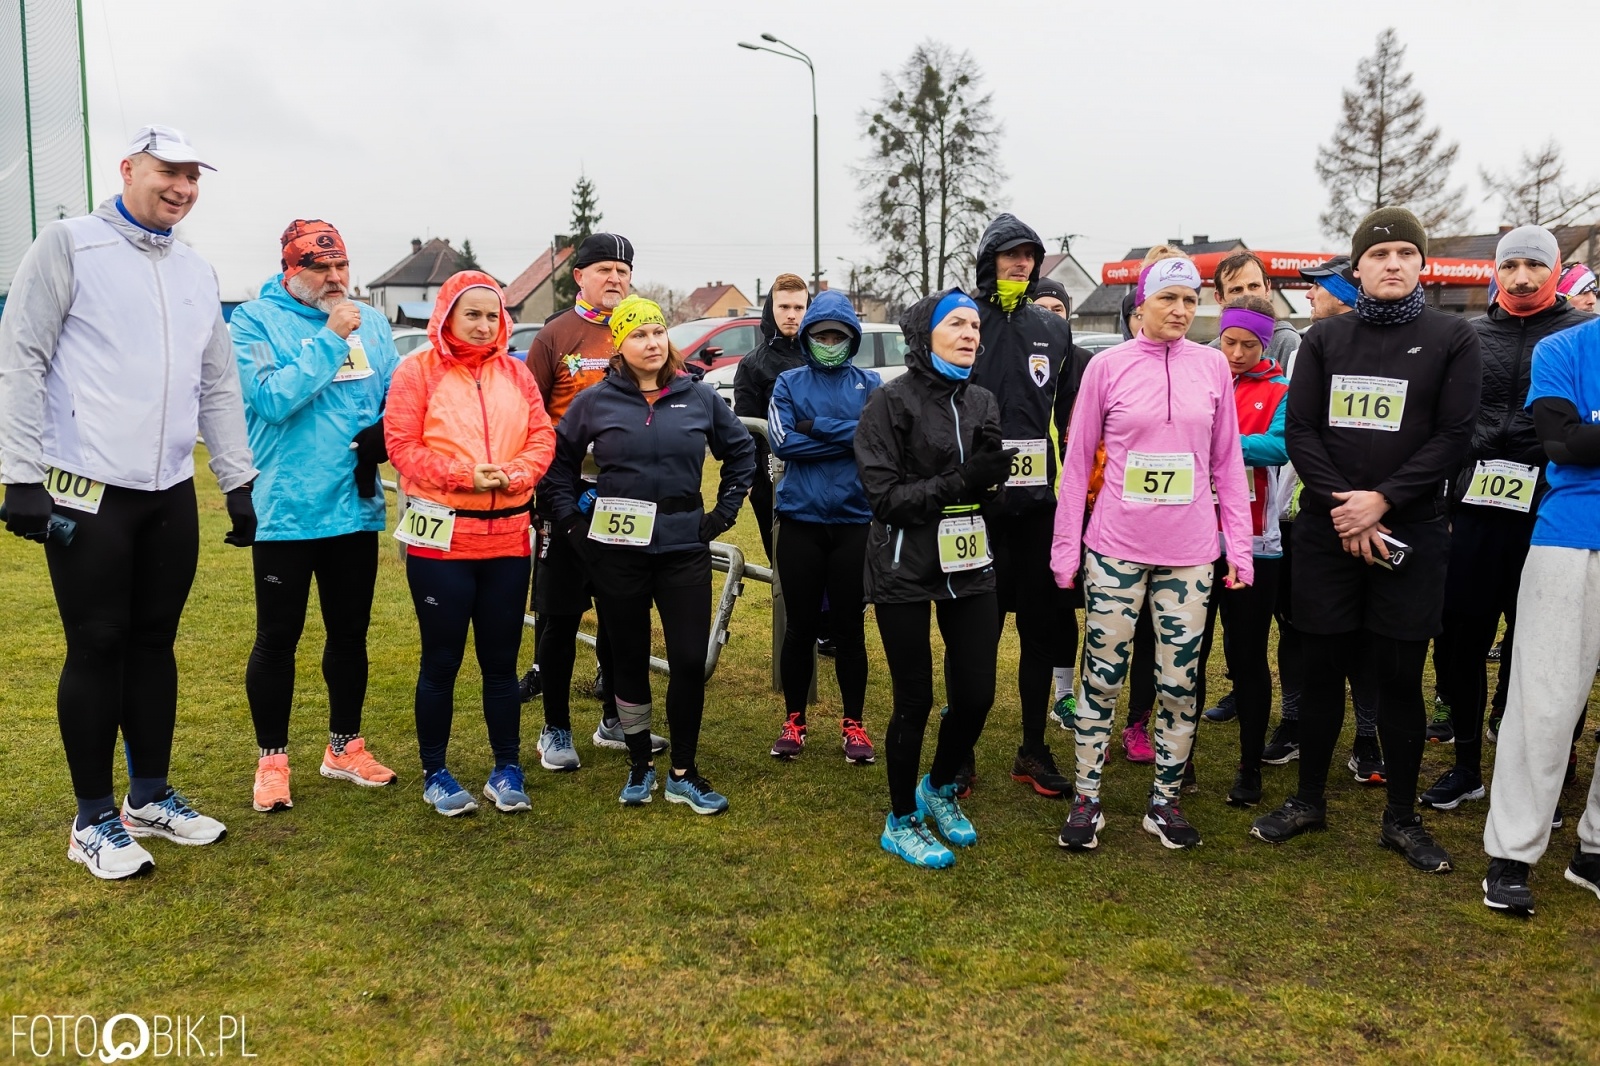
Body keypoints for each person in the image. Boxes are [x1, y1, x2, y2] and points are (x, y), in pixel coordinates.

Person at [0, 124, 255, 879]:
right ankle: (92, 819)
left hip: (169, 489)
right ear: (129, 169)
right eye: (167, 172)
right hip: (85, 485)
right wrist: (19, 474)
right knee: (99, 643)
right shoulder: (70, 243)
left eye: (192, 178)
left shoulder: (196, 270)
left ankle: (149, 795)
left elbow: (218, 381)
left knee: (154, 642)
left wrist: (236, 480)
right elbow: (22, 355)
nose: (181, 188)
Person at [1250, 207, 1481, 874]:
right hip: (1330, 535)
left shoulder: (1453, 340)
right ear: (1358, 268)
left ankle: (1401, 819)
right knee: (1320, 669)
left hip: (1411, 533)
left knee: (1401, 678)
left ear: (1422, 266)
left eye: (1406, 253)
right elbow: (1303, 436)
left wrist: (1381, 502)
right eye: (1380, 255)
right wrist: (1344, 509)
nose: (1392, 263)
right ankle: (1307, 800)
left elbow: (1453, 435)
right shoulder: (1326, 340)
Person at [1051, 255, 1253, 852]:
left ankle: (1164, 801)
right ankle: (1088, 799)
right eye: (1169, 299)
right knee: (1101, 677)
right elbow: (1077, 458)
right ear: (1141, 305)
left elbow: (1228, 465)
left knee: (1178, 681)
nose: (1181, 311)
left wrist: (1235, 546)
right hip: (1114, 549)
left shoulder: (1213, 366)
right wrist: (1066, 550)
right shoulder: (1106, 367)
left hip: (1190, 555)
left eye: (1191, 301)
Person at [542, 296, 755, 814]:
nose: (652, 342)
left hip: (684, 548)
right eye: (639, 334)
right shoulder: (594, 402)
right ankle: (639, 761)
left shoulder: (698, 397)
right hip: (618, 552)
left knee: (686, 660)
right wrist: (574, 529)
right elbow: (557, 468)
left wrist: (721, 517)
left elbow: (742, 451)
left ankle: (684, 770)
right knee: (629, 659)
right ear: (618, 342)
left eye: (658, 332)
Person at [230, 220, 403, 812]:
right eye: (320, 269)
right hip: (285, 507)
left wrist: (386, 430)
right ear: (291, 270)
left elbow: (392, 400)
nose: (335, 279)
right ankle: (272, 760)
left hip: (354, 505)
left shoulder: (373, 323)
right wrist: (329, 338)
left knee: (349, 633)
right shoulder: (252, 321)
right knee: (278, 637)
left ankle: (344, 747)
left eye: (342, 268)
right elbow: (272, 400)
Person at [1421, 226, 1592, 815]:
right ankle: (1466, 763)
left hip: (1549, 514)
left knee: (1546, 646)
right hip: (1472, 509)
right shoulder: (1467, 334)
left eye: (1535, 266)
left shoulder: (1577, 335)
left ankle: (1550, 756)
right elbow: (1442, 423)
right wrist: (1441, 504)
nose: (1522, 278)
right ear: (1496, 270)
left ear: (1556, 271)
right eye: (1511, 265)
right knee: (1459, 640)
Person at [385, 271, 556, 816]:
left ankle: (507, 767)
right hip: (442, 541)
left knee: (501, 664)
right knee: (441, 661)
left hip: (507, 538)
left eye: (492, 314)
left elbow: (542, 435)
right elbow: (402, 446)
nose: (484, 325)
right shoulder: (416, 371)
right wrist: (466, 475)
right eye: (472, 314)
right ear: (447, 315)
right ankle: (436, 771)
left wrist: (520, 472)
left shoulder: (517, 373)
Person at [857, 289, 1010, 868]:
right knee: (914, 698)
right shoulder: (888, 403)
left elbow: (986, 485)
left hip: (968, 560)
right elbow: (887, 499)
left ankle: (939, 785)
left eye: (976, 325)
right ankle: (900, 820)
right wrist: (963, 478)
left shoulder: (984, 402)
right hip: (903, 563)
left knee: (977, 694)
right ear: (925, 336)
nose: (971, 334)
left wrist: (990, 483)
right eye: (957, 325)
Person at [521, 233, 666, 769]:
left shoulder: (642, 330)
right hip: (565, 499)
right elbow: (530, 414)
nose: (615, 279)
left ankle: (613, 719)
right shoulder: (556, 334)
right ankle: (555, 728)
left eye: (623, 271)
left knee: (622, 614)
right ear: (579, 275)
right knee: (559, 617)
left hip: (627, 501)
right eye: (604, 269)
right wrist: (545, 490)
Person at [1479, 309, 1600, 916]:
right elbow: (1562, 442)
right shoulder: (1564, 349)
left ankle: (1594, 851)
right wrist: (1581, 437)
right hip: (1571, 538)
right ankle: (1512, 852)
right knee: (1545, 700)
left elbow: (1586, 437)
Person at [1260, 254, 1385, 781]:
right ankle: (1292, 725)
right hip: (1302, 510)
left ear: (1345, 290)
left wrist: (1367, 504)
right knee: (1297, 627)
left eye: (1319, 289)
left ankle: (1367, 736)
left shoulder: (1381, 346)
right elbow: (1298, 431)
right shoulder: (1311, 345)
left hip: (1372, 510)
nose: (1309, 297)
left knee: (1368, 634)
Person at [968, 214, 1077, 799]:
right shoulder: (962, 320)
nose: (1021, 263)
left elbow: (1070, 421)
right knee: (975, 634)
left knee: (1038, 633)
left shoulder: (1052, 329)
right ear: (989, 259)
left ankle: (1033, 748)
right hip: (975, 508)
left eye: (1030, 255)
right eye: (1010, 254)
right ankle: (960, 753)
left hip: (1037, 508)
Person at [766, 290, 880, 763]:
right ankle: (795, 720)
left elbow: (874, 440)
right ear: (808, 337)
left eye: (838, 335)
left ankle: (854, 723)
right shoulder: (788, 382)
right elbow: (782, 441)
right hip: (800, 523)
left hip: (855, 523)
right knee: (800, 627)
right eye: (821, 335)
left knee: (851, 630)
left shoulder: (871, 383)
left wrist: (815, 427)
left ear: (852, 338)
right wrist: (843, 435)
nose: (829, 342)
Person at [1201, 298, 1291, 806]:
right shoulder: (1203, 376)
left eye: (1249, 345)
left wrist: (1220, 442)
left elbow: (1280, 446)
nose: (1236, 353)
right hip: (1194, 541)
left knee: (1247, 656)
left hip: (1256, 543)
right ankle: (1182, 759)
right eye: (1229, 341)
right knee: (1188, 656)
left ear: (1265, 343)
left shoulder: (1280, 387)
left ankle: (1250, 766)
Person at [733, 274, 810, 561]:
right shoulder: (753, 364)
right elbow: (744, 429)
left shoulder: (822, 358)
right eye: (784, 307)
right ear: (770, 308)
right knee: (783, 561)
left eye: (798, 308)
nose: (791, 315)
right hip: (770, 477)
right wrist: (753, 483)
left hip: (817, 469)